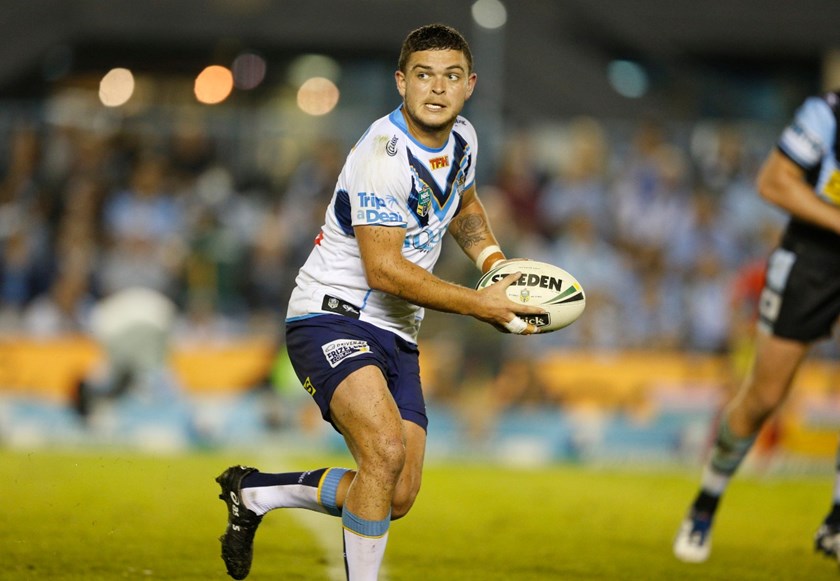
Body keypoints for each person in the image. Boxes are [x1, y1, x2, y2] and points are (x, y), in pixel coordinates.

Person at [215, 23, 545, 581]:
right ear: (401, 82)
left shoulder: (464, 138)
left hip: (397, 331)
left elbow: (463, 204)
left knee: (397, 494)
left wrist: (494, 262)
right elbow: (384, 270)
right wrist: (478, 303)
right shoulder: (381, 156)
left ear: (469, 85)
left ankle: (256, 493)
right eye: (423, 75)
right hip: (331, 315)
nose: (437, 88)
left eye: (451, 76)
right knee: (384, 451)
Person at [673, 89, 840, 564]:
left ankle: (836, 520)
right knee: (763, 397)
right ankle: (705, 502)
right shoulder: (828, 113)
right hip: (814, 259)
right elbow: (773, 182)